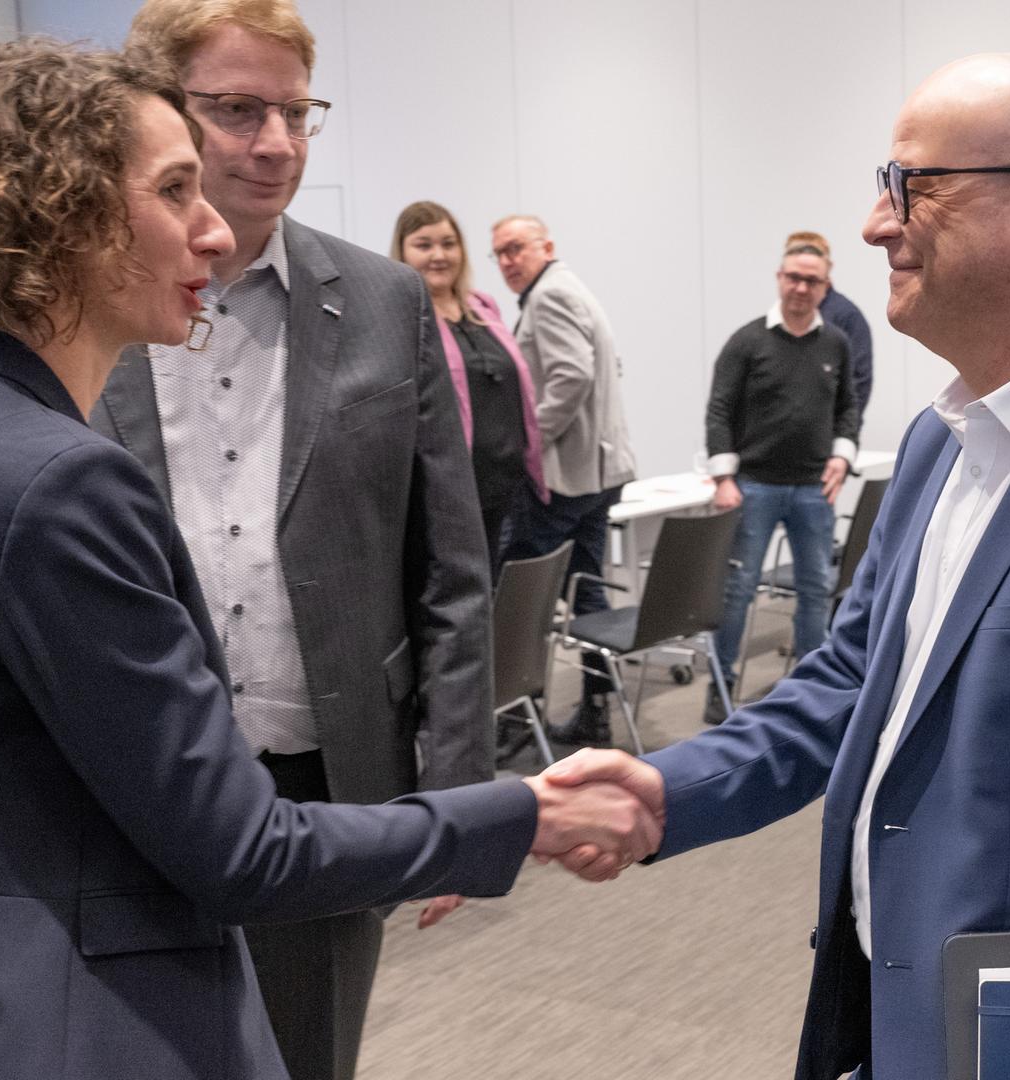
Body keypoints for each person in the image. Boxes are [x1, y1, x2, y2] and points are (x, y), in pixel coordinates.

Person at [0, 40, 655, 1080]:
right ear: (62, 214)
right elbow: (241, 853)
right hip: (56, 1029)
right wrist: (523, 810)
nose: (213, 224)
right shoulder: (56, 481)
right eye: (177, 187)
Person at [546, 52, 1010, 1080]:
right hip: (898, 1022)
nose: (876, 224)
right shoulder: (936, 444)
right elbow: (850, 685)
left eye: (913, 186)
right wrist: (664, 788)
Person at [89, 6, 498, 1076]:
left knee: (308, 1055)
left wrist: (457, 797)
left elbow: (452, 569)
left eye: (294, 112)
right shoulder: (88, 303)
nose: (276, 142)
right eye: (236, 111)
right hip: (126, 767)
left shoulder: (383, 301)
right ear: (161, 116)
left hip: (328, 775)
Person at [490, 214, 638, 745]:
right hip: (595, 474)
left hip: (564, 478)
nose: (508, 261)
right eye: (499, 253)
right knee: (588, 590)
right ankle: (596, 714)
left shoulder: (550, 296)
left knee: (520, 598)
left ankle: (514, 721)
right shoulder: (570, 288)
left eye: (516, 248)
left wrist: (528, 443)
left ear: (545, 246)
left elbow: (571, 375)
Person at [703, 240, 861, 724]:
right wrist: (724, 476)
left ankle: (814, 683)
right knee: (739, 588)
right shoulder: (748, 341)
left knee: (817, 588)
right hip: (753, 486)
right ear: (779, 277)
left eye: (811, 280)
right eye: (793, 277)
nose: (800, 287)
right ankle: (721, 682)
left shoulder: (836, 342)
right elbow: (719, 409)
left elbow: (847, 407)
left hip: (813, 488)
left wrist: (842, 456)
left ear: (825, 287)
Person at [390, 200, 547, 575]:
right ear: (403, 252)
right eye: (424, 245)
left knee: (508, 597)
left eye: (448, 243)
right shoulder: (402, 317)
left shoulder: (484, 307)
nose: (439, 255)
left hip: (509, 485)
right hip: (453, 494)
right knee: (467, 595)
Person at [785, 230, 875, 423]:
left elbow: (859, 383)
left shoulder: (846, 316)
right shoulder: (786, 318)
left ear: (826, 266)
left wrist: (842, 436)